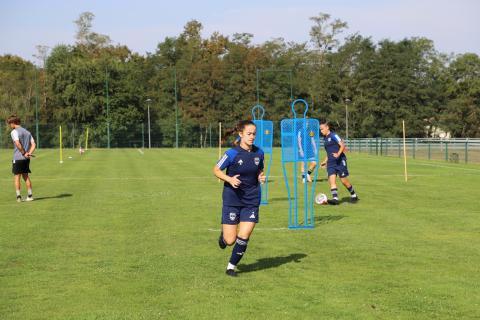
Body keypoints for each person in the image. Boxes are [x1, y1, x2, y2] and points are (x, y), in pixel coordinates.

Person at [213, 120, 265, 277]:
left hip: (252, 199)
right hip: (232, 199)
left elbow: (258, 170)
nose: (252, 137)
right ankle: (223, 238)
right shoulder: (231, 153)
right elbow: (216, 169)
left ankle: (231, 267)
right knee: (230, 240)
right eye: (249, 134)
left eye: (254, 134)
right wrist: (229, 179)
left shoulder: (259, 153)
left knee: (244, 235)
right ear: (241, 134)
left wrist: (260, 177)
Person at [319, 120, 358, 205]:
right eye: (320, 130)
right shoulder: (325, 139)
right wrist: (325, 161)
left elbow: (342, 145)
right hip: (331, 163)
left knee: (344, 181)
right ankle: (335, 199)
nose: (321, 131)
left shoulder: (334, 135)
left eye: (322, 129)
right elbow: (328, 152)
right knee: (331, 180)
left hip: (340, 161)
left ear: (327, 127)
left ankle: (354, 194)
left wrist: (338, 154)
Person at [7, 115, 36, 202]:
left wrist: (24, 153)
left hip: (18, 158)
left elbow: (18, 144)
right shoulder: (27, 132)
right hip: (26, 159)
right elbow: (34, 144)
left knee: (17, 177)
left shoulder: (14, 132)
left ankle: (18, 197)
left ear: (13, 123)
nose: (9, 125)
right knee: (26, 176)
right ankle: (30, 196)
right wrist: (29, 153)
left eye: (10, 124)